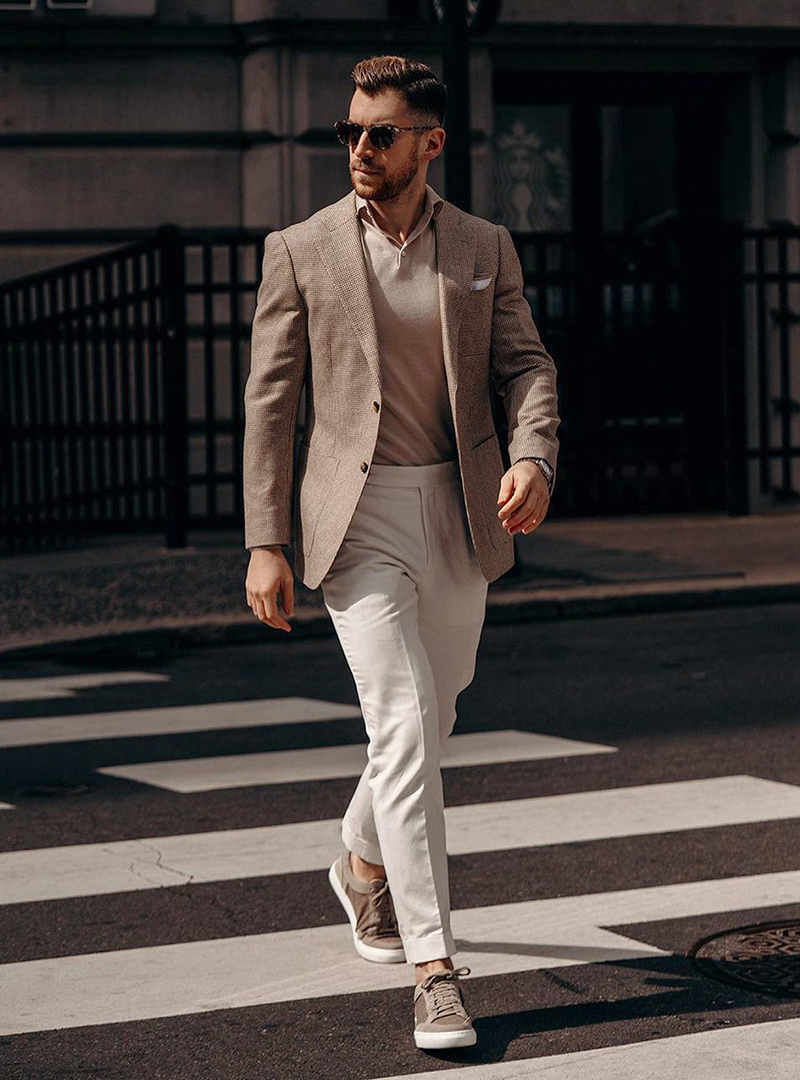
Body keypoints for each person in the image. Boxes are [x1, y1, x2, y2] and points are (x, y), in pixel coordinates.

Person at [243, 53, 560, 1052]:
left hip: (460, 511)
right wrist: (266, 541)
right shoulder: (300, 251)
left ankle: (359, 861)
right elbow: (270, 406)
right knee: (407, 723)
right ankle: (432, 968)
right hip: (356, 519)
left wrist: (534, 455)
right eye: (348, 132)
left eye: (379, 133)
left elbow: (525, 365)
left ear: (428, 141)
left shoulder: (480, 244)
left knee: (438, 704)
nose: (359, 150)